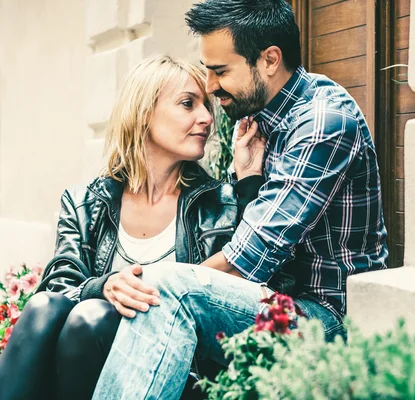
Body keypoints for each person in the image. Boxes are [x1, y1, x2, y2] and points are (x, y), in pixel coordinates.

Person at [92, 0, 389, 398]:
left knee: (166, 291)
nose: (211, 90)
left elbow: (245, 262)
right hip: (278, 304)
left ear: (269, 60)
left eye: (219, 72)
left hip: (327, 322)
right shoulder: (261, 120)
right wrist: (245, 178)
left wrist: (139, 288)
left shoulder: (321, 123)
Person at [0, 54, 264, 400]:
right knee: (47, 307)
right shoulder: (85, 202)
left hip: (174, 370)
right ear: (143, 114)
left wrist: (249, 186)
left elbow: (251, 286)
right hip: (79, 365)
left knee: (91, 318)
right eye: (188, 104)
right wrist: (105, 286)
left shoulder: (221, 203)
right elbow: (59, 287)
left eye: (207, 106)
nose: (206, 118)